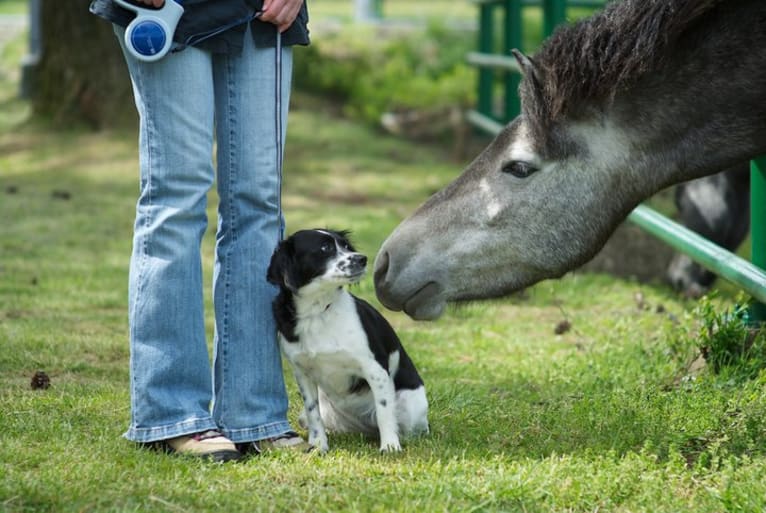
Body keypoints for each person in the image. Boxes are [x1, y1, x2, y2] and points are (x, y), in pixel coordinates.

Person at [89, 0, 310, 462]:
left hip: (262, 14)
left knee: (259, 203)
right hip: (168, 10)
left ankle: (254, 413)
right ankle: (172, 413)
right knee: (177, 196)